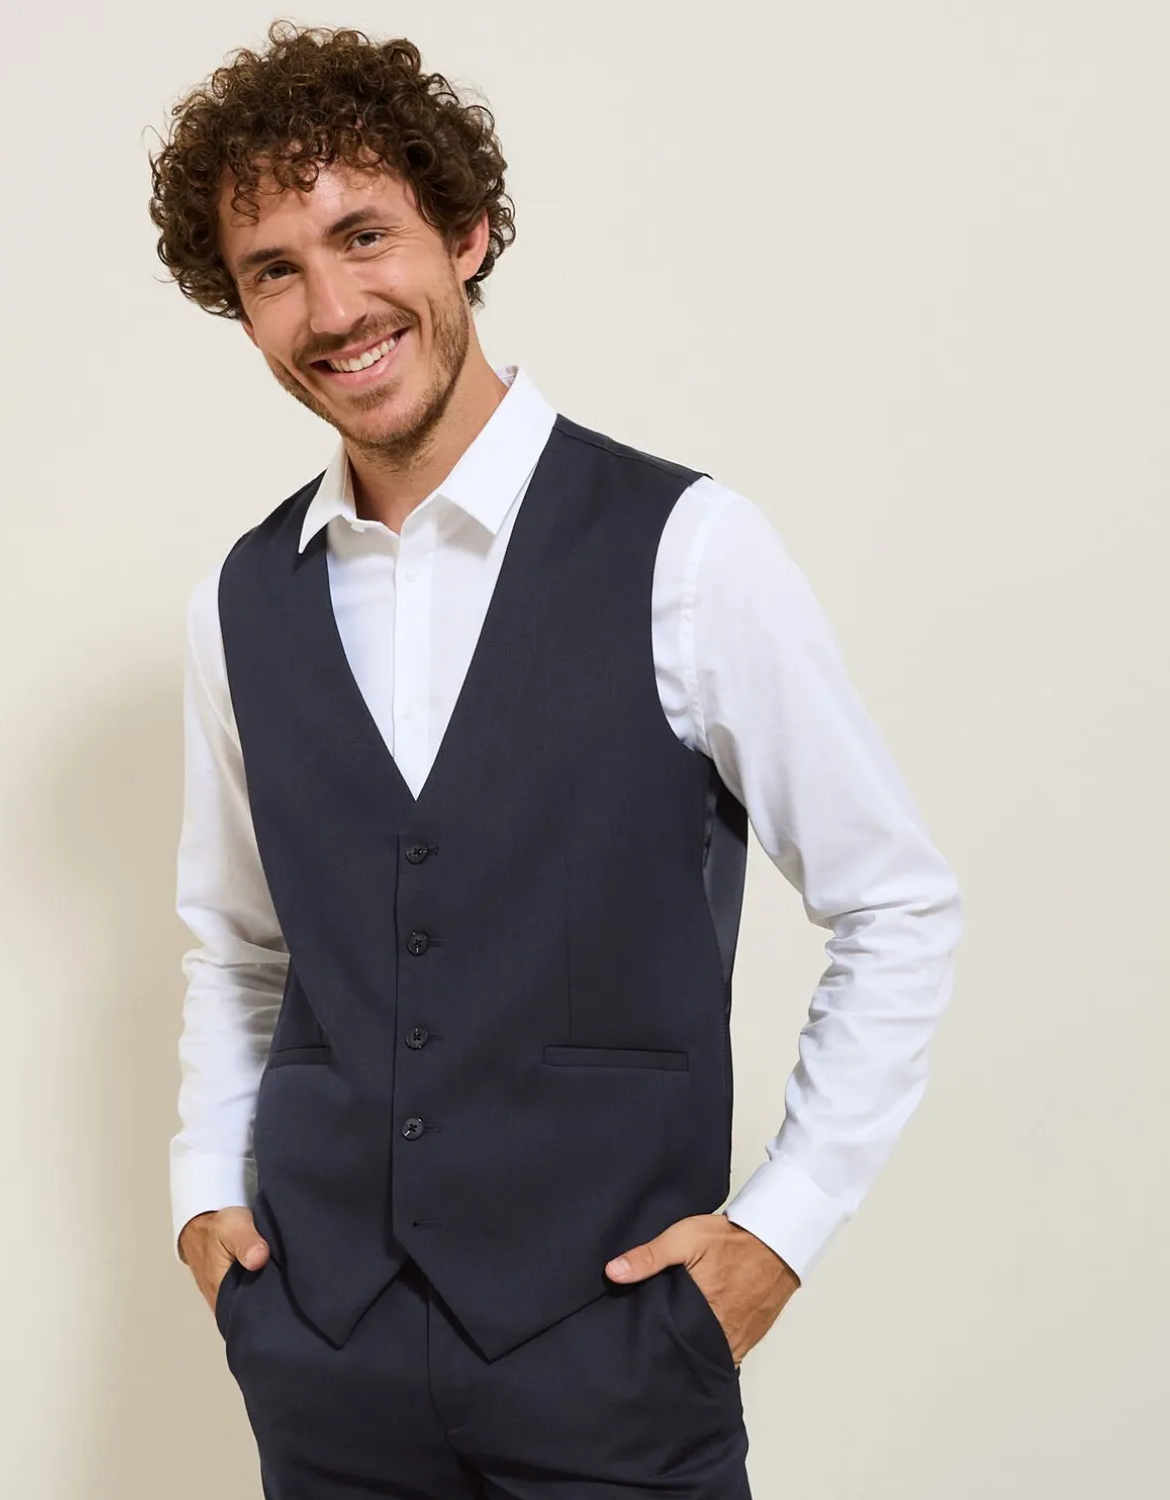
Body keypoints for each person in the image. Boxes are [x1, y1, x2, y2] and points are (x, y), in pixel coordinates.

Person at [147, 20, 963, 1498]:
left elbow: (894, 904)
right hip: (324, 1362)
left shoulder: (690, 549)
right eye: (273, 270)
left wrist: (780, 1233)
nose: (332, 307)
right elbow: (241, 946)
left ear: (464, 233)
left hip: (615, 1357)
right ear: (242, 308)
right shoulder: (241, 599)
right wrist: (207, 1200)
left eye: (364, 235)